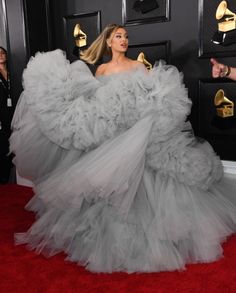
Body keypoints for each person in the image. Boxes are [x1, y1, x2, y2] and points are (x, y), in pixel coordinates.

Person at [10, 24, 236, 273]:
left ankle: (151, 235)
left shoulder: (137, 67)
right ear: (108, 41)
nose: (124, 40)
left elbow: (151, 98)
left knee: (141, 185)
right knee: (106, 186)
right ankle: (102, 235)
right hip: (111, 138)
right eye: (118, 36)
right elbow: (96, 105)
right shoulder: (102, 70)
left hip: (136, 135)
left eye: (126, 36)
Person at [0, 46, 13, 184]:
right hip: (2, 115)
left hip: (13, 111)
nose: (1, 55)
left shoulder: (13, 72)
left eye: (3, 53)